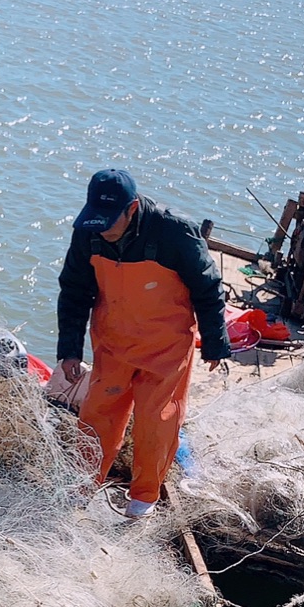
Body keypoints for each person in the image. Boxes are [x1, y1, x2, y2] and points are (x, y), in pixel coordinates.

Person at [56, 167, 231, 517]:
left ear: (132, 209)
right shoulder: (88, 232)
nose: (102, 228)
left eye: (109, 220)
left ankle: (144, 498)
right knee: (96, 416)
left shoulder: (174, 231)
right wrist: (69, 350)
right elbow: (74, 292)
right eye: (96, 219)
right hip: (113, 342)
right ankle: (81, 485)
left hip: (164, 347)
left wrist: (215, 342)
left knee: (156, 421)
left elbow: (208, 287)